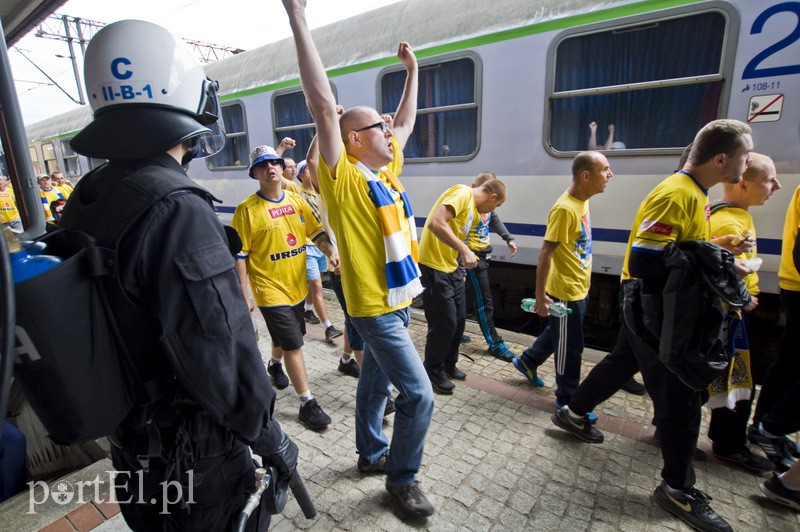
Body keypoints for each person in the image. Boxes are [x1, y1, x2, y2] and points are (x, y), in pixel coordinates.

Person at [60, 20, 298, 530]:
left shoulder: (89, 195)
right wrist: (269, 434)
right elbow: (219, 348)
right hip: (197, 464)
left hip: (133, 449)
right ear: (189, 100)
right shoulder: (176, 208)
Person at [555, 119, 752, 532]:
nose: (746, 164)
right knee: (681, 395)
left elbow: (676, 248)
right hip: (652, 305)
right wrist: (707, 257)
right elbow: (647, 260)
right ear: (720, 159)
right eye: (744, 156)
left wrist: (714, 249)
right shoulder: (676, 194)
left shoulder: (694, 194)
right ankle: (677, 491)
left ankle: (574, 412)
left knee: (624, 360)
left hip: (653, 304)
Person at [283, 0, 436, 518]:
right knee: (420, 395)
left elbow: (408, 121)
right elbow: (324, 106)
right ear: (353, 140)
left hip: (397, 300)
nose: (390, 130)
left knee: (377, 380)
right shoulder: (343, 178)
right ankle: (401, 478)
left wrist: (412, 73)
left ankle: (371, 451)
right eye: (379, 127)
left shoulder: (384, 175)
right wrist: (298, 17)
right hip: (371, 303)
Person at [233, 144, 337, 431]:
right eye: (263, 165)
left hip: (296, 287)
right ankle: (307, 403)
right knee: (294, 343)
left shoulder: (296, 201)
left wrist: (330, 252)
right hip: (269, 291)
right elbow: (240, 257)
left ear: (282, 168)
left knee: (284, 338)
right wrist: (244, 296)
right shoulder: (246, 211)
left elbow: (315, 232)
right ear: (255, 173)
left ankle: (274, 364)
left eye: (275, 163)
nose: (271, 168)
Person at [512, 151, 612, 410]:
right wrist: (540, 295)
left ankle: (528, 360)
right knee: (571, 348)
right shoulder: (565, 208)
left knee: (561, 331)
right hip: (566, 290)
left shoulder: (583, 200)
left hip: (579, 285)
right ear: (586, 175)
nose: (610, 175)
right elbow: (546, 252)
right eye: (605, 169)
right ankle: (567, 399)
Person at [706, 153, 780, 473]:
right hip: (728, 312)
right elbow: (722, 273)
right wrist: (742, 298)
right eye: (769, 179)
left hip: (731, 310)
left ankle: (723, 437)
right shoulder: (728, 221)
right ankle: (728, 444)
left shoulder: (739, 215)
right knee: (734, 380)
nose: (776, 185)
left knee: (720, 378)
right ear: (744, 183)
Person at [419, 179, 507, 394]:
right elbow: (436, 223)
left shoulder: (472, 210)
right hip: (433, 267)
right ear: (492, 197)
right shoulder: (461, 194)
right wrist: (465, 251)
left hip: (452, 269)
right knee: (444, 323)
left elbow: (458, 236)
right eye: (496, 206)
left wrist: (460, 267)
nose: (493, 211)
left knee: (458, 321)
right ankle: (432, 369)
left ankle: (449, 364)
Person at [749, 177, 800, 472]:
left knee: (790, 360)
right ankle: (772, 427)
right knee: (790, 361)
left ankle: (765, 426)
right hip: (797, 284)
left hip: (793, 282)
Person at [464, 172, 519, 361]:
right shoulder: (469, 207)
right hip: (473, 259)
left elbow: (494, 219)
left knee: (465, 297)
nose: (493, 209)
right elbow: (460, 235)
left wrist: (508, 238)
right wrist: (462, 265)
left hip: (482, 256)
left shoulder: (487, 208)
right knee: (484, 303)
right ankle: (495, 344)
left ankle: (455, 330)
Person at [294, 158, 344, 341]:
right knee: (317, 286)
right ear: (300, 175)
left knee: (314, 284)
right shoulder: (295, 190)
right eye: (306, 169)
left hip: (323, 245)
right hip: (307, 244)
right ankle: (328, 327)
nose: (311, 171)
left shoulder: (319, 192)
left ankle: (306, 309)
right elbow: (280, 180)